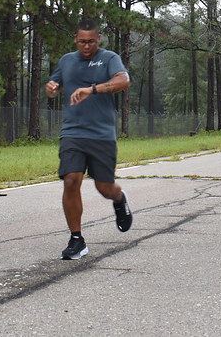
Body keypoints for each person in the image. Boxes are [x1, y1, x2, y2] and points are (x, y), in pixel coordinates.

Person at [46, 18, 133, 260]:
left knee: (104, 188)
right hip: (73, 132)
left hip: (102, 134)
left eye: (91, 42)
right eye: (82, 42)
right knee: (71, 180)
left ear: (98, 40)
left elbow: (123, 80)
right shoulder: (66, 60)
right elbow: (53, 85)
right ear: (75, 39)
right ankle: (76, 239)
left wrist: (92, 89)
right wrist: (52, 88)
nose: (86, 46)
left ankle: (119, 198)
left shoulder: (109, 57)